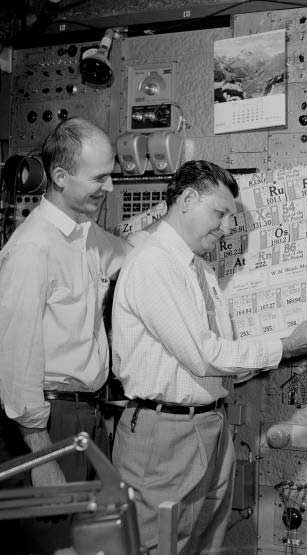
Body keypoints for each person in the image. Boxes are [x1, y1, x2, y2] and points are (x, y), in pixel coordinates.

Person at [111, 160, 307, 554]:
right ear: (187, 200)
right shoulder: (153, 263)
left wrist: (282, 347)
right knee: (156, 544)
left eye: (231, 217)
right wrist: (285, 345)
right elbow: (205, 355)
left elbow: (217, 360)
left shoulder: (199, 269)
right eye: (220, 214)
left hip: (208, 424)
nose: (228, 227)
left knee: (204, 542)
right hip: (164, 432)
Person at [0, 117, 128, 552]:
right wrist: (42, 457)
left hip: (85, 416)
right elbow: (14, 363)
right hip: (47, 424)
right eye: (99, 177)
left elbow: (131, 256)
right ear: (59, 177)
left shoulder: (84, 234)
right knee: (55, 543)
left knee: (93, 542)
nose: (109, 186)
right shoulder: (31, 250)